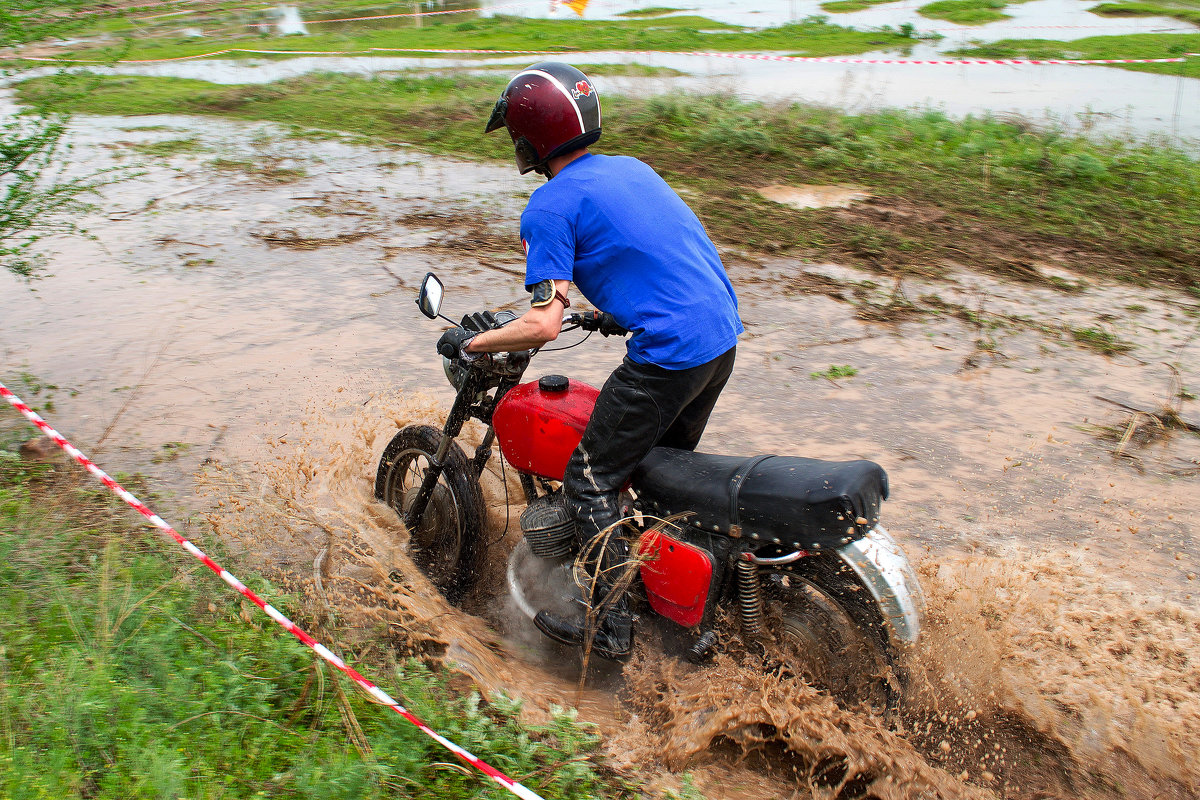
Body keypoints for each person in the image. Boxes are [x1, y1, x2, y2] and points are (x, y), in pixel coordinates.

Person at [436, 62, 743, 661]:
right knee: (660, 477)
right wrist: (611, 313)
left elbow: (544, 322)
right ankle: (677, 599)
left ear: (531, 139)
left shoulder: (549, 207)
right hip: (720, 337)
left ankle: (611, 626)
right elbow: (657, 256)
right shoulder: (631, 170)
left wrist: (469, 343)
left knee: (589, 478)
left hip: (670, 353)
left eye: (513, 135)